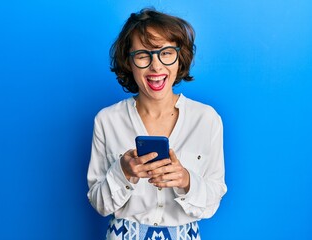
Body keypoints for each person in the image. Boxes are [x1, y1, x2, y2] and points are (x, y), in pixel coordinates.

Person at [87, 8, 227, 240]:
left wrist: (186, 180)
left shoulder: (206, 119)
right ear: (129, 62)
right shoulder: (107, 120)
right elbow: (100, 204)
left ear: (179, 57)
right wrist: (123, 173)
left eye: (166, 53)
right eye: (143, 55)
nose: (156, 66)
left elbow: (213, 201)